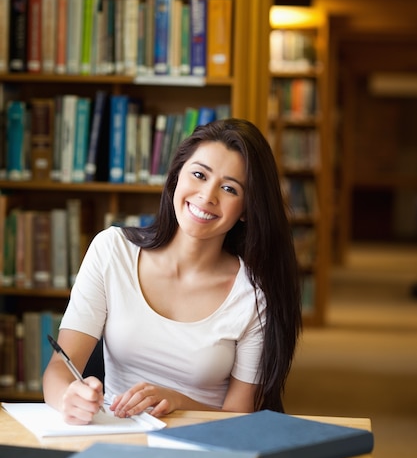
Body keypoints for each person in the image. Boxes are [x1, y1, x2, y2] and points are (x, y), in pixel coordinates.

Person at [43, 118, 302, 425]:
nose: (207, 196)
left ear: (246, 209)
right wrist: (67, 398)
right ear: (177, 176)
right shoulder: (112, 251)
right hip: (114, 435)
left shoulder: (254, 296)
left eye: (229, 188)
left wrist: (177, 401)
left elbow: (240, 417)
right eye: (199, 175)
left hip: (203, 446)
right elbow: (61, 367)